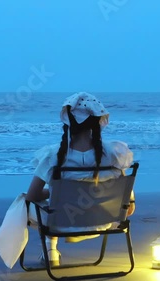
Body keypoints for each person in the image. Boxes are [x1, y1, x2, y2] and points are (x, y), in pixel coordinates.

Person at [26, 92, 135, 265]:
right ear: (98, 121)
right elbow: (126, 197)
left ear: (67, 121)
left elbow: (32, 196)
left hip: (60, 223)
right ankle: (51, 249)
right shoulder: (114, 154)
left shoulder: (52, 156)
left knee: (25, 203)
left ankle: (51, 249)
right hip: (102, 221)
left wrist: (55, 194)